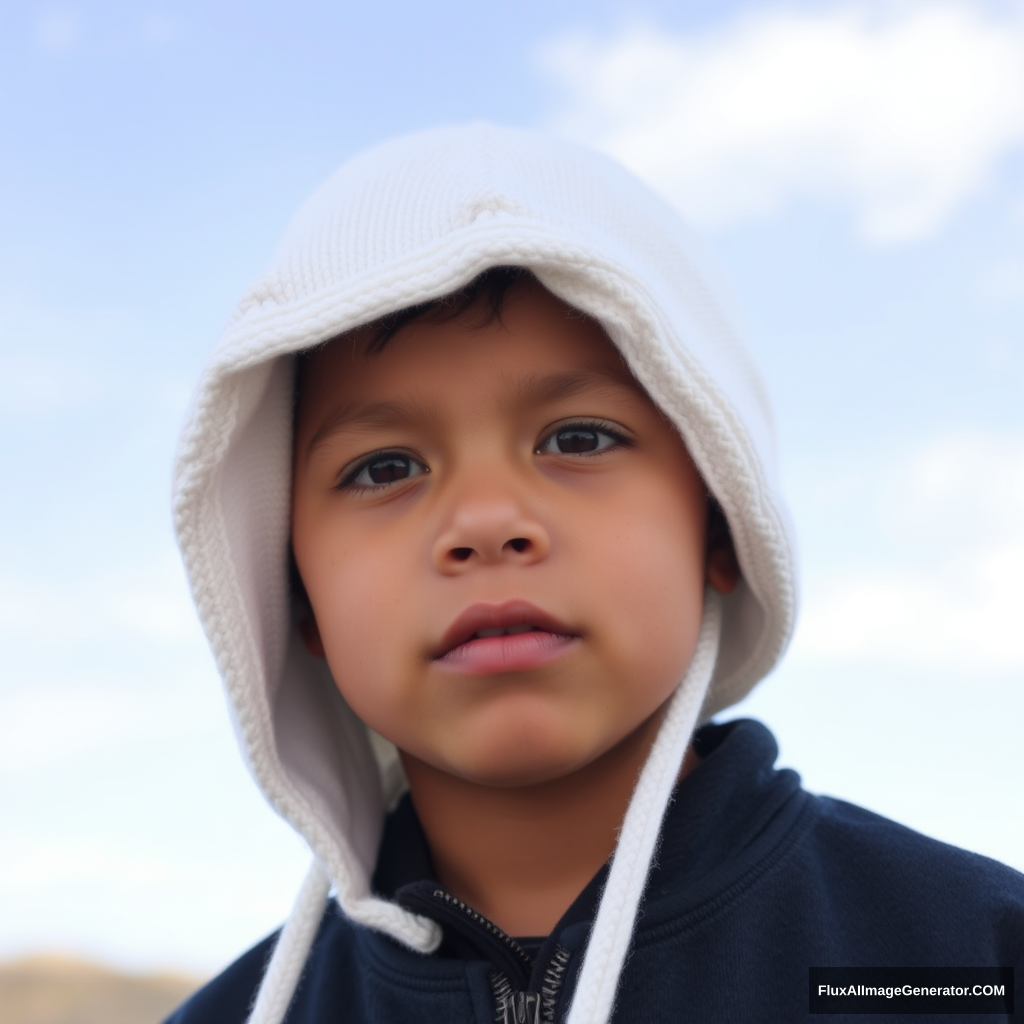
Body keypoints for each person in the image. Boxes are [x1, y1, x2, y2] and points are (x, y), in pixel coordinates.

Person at [166, 125, 1022, 1024]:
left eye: (578, 439)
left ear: (722, 524)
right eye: (385, 469)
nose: (487, 522)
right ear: (293, 589)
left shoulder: (963, 962)